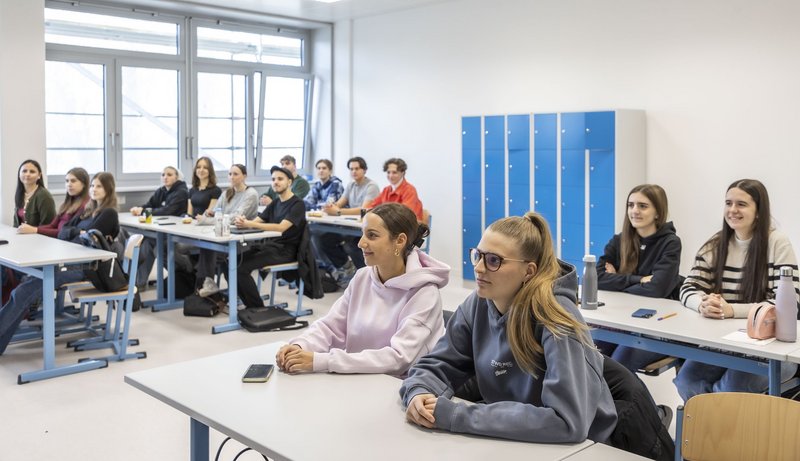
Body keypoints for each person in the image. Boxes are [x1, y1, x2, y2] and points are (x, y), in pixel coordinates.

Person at [400, 212, 617, 444]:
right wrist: (420, 390)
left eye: (494, 260)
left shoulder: (556, 317)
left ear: (529, 271)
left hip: (581, 448)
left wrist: (457, 415)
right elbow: (437, 364)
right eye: (478, 256)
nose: (479, 268)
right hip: (513, 437)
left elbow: (566, 422)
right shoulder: (479, 302)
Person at [276, 202, 448, 376]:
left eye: (372, 236)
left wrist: (322, 361)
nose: (360, 243)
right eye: (362, 234)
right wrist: (300, 345)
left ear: (400, 241)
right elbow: (331, 326)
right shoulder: (362, 277)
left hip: (401, 388)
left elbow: (398, 358)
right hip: (358, 379)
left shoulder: (424, 292)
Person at [674, 179, 800, 401]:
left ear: (759, 211)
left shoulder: (778, 243)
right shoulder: (716, 244)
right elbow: (688, 287)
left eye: (741, 204)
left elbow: (789, 304)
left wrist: (731, 310)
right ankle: (710, 434)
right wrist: (702, 304)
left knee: (726, 392)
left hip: (771, 351)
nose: (732, 210)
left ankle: (721, 433)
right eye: (728, 203)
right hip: (723, 342)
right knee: (687, 381)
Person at [0, 172, 120, 355]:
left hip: (86, 268)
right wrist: (76, 232)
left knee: (23, 291)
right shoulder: (88, 210)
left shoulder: (109, 213)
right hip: (68, 261)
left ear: (109, 190)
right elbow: (63, 230)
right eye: (93, 186)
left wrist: (76, 232)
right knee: (23, 288)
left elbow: (88, 238)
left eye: (99, 186)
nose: (94, 189)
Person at [595, 184, 682, 372]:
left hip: (654, 329)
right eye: (631, 205)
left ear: (658, 212)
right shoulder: (619, 241)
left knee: (617, 366)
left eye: (643, 206)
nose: (634, 211)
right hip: (621, 322)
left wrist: (617, 279)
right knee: (589, 354)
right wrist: (638, 280)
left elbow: (656, 289)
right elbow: (597, 279)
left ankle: (632, 403)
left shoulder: (670, 243)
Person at [229, 166, 306, 307]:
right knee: (230, 263)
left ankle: (256, 308)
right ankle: (248, 304)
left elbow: (281, 227)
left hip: (286, 251)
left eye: (280, 179)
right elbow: (258, 221)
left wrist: (250, 224)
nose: (276, 182)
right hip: (270, 247)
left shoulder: (298, 204)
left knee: (240, 268)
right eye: (273, 179)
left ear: (289, 182)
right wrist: (243, 223)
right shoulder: (276, 202)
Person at [195, 164, 259, 294]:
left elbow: (234, 218)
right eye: (230, 174)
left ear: (244, 176)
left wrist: (206, 221)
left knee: (209, 247)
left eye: (236, 174)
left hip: (243, 238)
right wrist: (209, 214)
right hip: (224, 233)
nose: (232, 177)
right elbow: (215, 211)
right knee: (205, 245)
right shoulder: (227, 193)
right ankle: (206, 282)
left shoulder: (251, 194)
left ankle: (208, 282)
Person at [318, 156, 381, 278]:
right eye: (351, 169)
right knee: (325, 239)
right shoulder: (351, 185)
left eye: (357, 169)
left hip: (365, 228)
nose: (354, 172)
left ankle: (367, 277)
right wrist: (331, 207)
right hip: (350, 226)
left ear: (364, 170)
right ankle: (348, 268)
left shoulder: (371, 186)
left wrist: (339, 212)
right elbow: (339, 203)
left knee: (351, 246)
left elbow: (364, 209)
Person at [130, 166, 189, 289]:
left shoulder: (181, 192)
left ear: (176, 177)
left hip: (177, 233)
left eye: (169, 174)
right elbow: (149, 205)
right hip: (162, 230)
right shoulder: (161, 190)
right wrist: (139, 208)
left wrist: (144, 211)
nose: (165, 177)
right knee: (146, 242)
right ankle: (139, 283)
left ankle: (184, 269)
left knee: (157, 248)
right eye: (163, 175)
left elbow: (168, 211)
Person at [17, 167, 91, 238]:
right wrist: (31, 228)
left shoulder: (85, 206)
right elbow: (52, 226)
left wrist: (35, 230)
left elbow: (63, 232)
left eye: (73, 181)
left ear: (84, 184)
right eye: (67, 181)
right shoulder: (67, 204)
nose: (69, 184)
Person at [13, 159, 56, 228]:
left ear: (39, 175)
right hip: (21, 237)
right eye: (24, 171)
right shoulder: (20, 194)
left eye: (32, 172)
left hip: (39, 237)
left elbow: (48, 226)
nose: (27, 174)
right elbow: (16, 224)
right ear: (19, 174)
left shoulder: (44, 195)